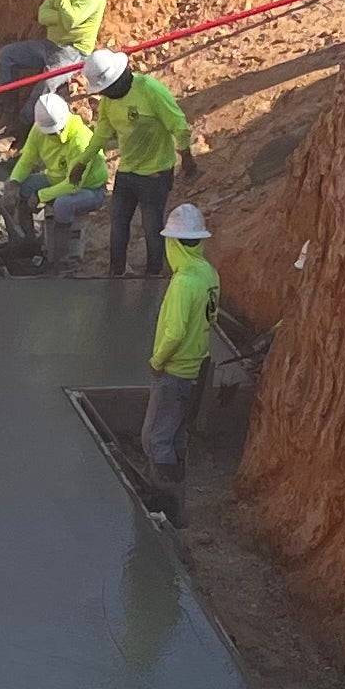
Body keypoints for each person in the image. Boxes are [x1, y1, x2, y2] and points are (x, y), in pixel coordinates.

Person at [87, 45, 195, 279]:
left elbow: (177, 122)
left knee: (152, 227)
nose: (103, 95)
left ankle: (153, 275)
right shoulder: (108, 102)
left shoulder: (149, 90)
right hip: (127, 172)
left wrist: (186, 154)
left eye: (106, 89)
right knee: (118, 224)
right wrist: (83, 161)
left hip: (155, 174)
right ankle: (116, 271)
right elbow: (102, 132)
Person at [141, 203, 220, 495]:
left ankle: (164, 498)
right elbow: (212, 317)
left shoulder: (183, 282)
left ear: (173, 243)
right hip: (196, 367)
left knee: (155, 439)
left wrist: (157, 361)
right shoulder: (208, 273)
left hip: (175, 369)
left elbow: (174, 332)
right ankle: (179, 490)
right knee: (176, 433)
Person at [0, 86, 107, 263]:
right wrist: (14, 182)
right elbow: (27, 160)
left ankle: (61, 258)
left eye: (57, 130)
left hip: (90, 190)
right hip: (57, 179)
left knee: (63, 204)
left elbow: (73, 185)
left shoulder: (80, 141)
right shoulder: (39, 130)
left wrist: (41, 195)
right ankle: (27, 243)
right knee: (22, 187)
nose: (55, 134)